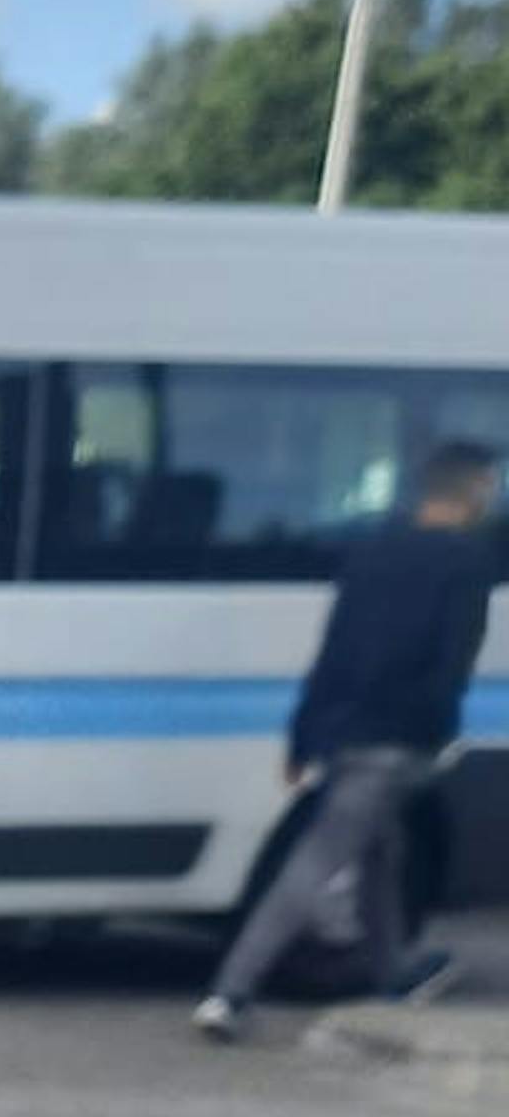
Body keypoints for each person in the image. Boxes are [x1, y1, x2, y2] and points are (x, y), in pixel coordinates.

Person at [197, 435, 497, 1038]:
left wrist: (301, 737)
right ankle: (230, 992)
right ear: (474, 492)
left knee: (384, 851)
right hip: (400, 738)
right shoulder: (468, 564)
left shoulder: (371, 551)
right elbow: (451, 664)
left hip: (343, 730)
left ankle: (393, 972)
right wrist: (438, 740)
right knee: (317, 862)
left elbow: (332, 651)